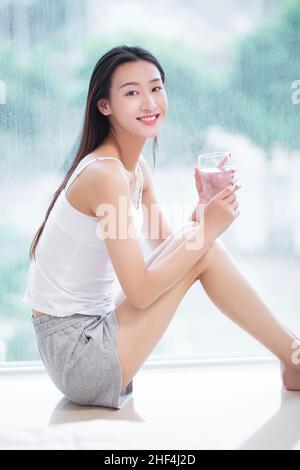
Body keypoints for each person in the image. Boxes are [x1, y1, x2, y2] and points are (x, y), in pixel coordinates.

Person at [23, 45, 300, 410]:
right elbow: (140, 291)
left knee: (204, 246)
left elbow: (170, 250)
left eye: (156, 88)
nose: (149, 102)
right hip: (78, 356)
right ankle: (294, 359)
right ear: (103, 106)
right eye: (132, 93)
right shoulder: (105, 175)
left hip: (91, 332)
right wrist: (205, 231)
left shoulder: (134, 170)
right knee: (206, 246)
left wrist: (201, 215)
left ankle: (293, 356)